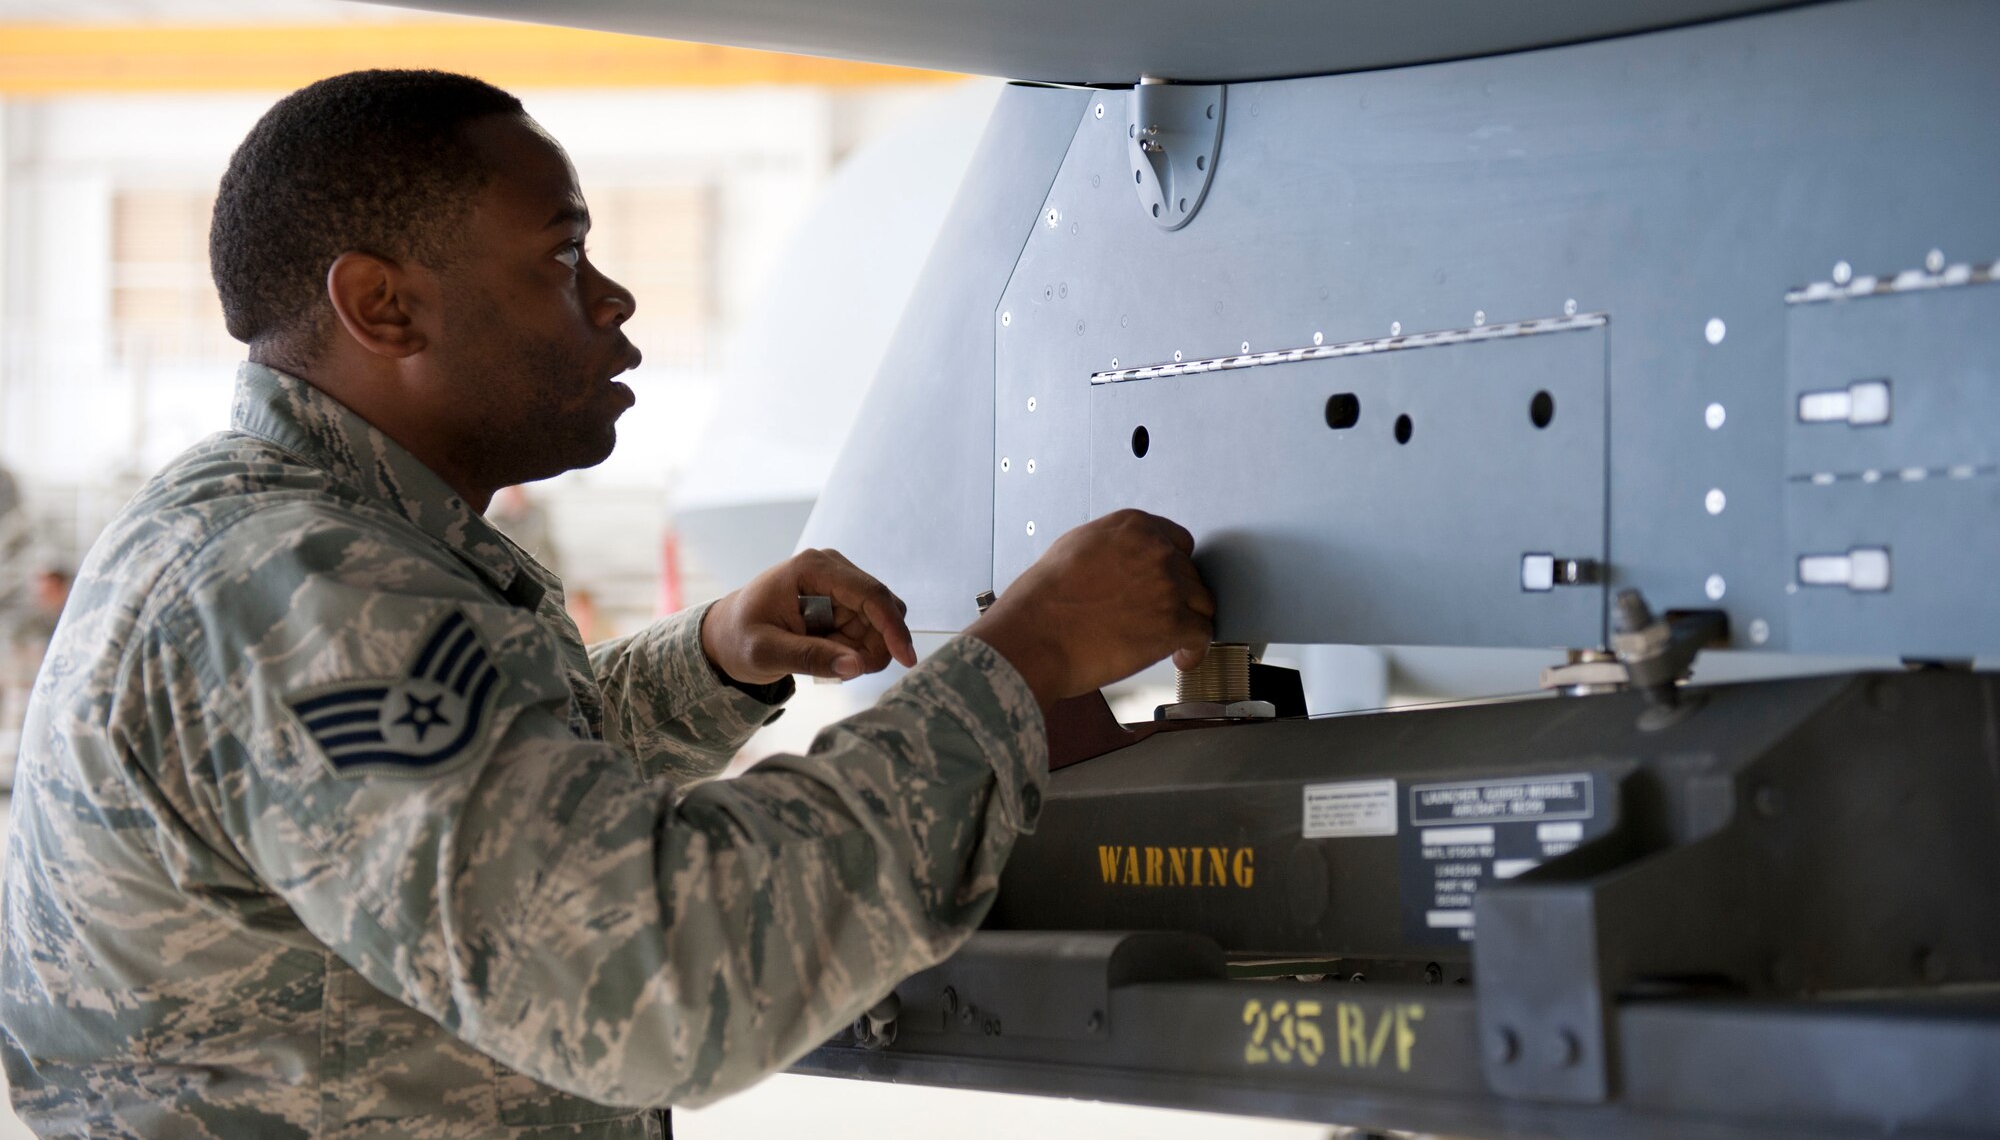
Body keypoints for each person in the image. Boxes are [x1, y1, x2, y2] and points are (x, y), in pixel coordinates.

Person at [0, 70, 1213, 1138]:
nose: (615, 298)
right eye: (562, 256)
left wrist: (711, 661)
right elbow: (655, 976)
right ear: (383, 307)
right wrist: (1022, 656)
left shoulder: (273, 530)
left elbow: (457, 808)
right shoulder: (309, 587)